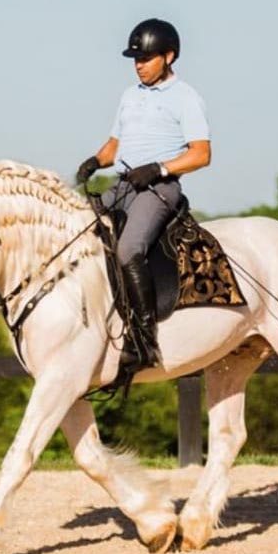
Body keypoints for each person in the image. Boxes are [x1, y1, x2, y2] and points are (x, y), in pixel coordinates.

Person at [77, 18, 211, 370]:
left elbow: (201, 153)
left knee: (128, 248)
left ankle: (144, 340)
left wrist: (159, 169)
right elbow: (115, 144)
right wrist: (95, 160)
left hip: (157, 189)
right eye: (136, 59)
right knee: (79, 232)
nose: (139, 65)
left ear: (169, 57)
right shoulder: (129, 95)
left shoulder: (186, 97)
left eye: (147, 58)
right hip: (122, 184)